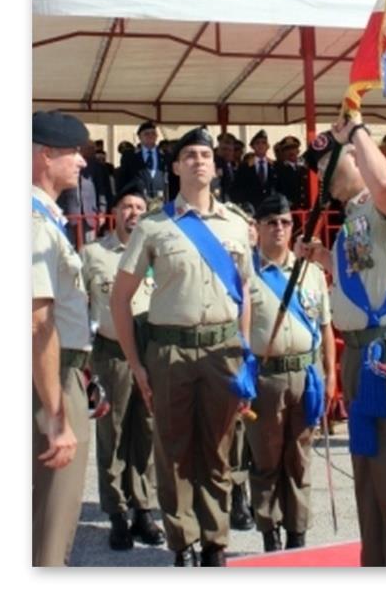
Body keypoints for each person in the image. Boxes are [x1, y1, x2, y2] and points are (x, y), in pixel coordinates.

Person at [109, 126, 255, 566]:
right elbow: (120, 297)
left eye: (205, 155)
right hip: (170, 352)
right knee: (172, 450)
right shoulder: (154, 226)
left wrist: (245, 349)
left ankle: (215, 540)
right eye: (189, 155)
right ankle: (183, 538)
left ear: (216, 164)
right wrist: (136, 363)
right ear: (175, 167)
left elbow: (244, 291)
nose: (199, 161)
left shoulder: (235, 224)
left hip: (222, 350)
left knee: (217, 449)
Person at [295, 119, 386, 566]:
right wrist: (322, 258)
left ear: (355, 156)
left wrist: (354, 131)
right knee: (369, 474)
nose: (320, 170)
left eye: (326, 160)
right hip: (360, 352)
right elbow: (365, 277)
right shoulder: (354, 215)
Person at [246, 193, 335, 552]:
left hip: (306, 375)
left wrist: (331, 376)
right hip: (265, 378)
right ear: (259, 228)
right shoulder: (247, 274)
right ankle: (270, 532)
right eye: (271, 223)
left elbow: (326, 326)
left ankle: (297, 534)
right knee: (266, 459)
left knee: (299, 457)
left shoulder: (311, 273)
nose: (279, 229)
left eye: (284, 222)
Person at [81, 183, 165, 551]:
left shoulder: (155, 250)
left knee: (146, 431)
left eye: (139, 207)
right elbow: (80, 306)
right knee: (111, 434)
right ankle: (116, 511)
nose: (133, 213)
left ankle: (143, 508)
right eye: (127, 206)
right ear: (114, 212)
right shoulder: (93, 253)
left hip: (148, 353)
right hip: (110, 354)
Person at [32, 111, 93, 566]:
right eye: (73, 152)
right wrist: (57, 412)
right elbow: (36, 322)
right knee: (48, 535)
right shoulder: (32, 222)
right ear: (45, 155)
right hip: (45, 388)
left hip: (60, 374)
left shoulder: (44, 218)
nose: (82, 163)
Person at [118, 120, 170, 201]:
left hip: (162, 201)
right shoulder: (129, 156)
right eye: (146, 134)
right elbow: (122, 180)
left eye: (153, 133)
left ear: (157, 136)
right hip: (137, 200)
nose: (150, 136)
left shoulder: (166, 156)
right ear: (139, 137)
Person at [233, 131, 277, 209]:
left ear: (267, 146)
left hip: (271, 208)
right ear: (252, 146)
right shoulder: (244, 167)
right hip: (252, 208)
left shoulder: (275, 165)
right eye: (257, 143)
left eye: (263, 143)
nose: (260, 145)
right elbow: (238, 188)